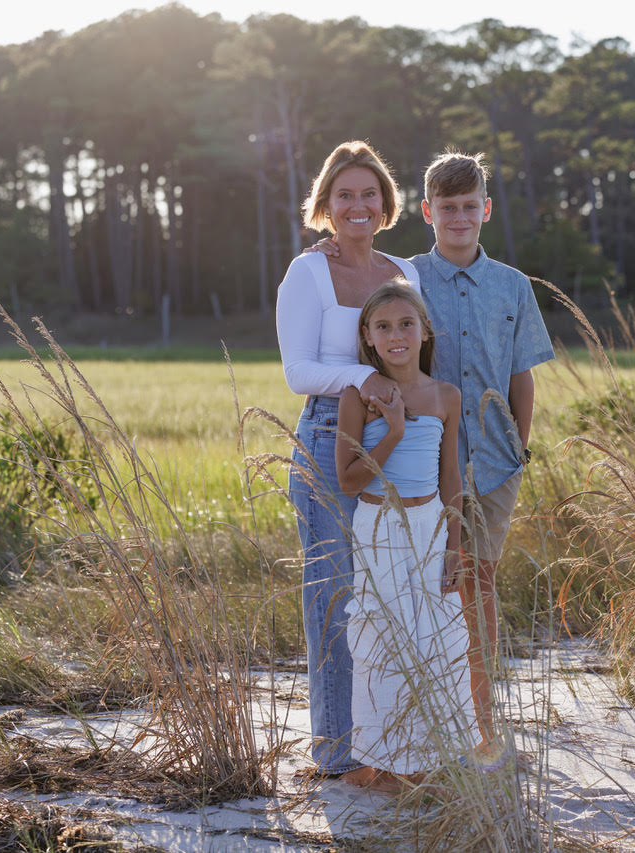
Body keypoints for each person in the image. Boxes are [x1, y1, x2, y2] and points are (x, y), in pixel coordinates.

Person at [311, 150, 555, 759]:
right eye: (447, 208)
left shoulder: (513, 286)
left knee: (477, 585)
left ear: (486, 210)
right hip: (420, 466)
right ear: (427, 212)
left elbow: (522, 376)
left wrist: (519, 446)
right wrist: (329, 250)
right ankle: (417, 728)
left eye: (469, 206)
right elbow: (365, 289)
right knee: (421, 593)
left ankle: (482, 724)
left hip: (495, 462)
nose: (459, 218)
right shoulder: (408, 277)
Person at [276, 141, 421, 780]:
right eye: (345, 196)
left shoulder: (403, 273)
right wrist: (365, 377)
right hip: (330, 438)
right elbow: (297, 372)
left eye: (369, 194)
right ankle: (336, 755)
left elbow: (414, 352)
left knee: (392, 594)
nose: (357, 205)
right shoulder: (307, 272)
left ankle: (389, 746)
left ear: (385, 204)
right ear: (327, 207)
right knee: (334, 598)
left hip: (400, 438)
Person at [334, 280, 473, 793]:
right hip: (379, 526)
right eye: (384, 327)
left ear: (424, 331)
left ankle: (430, 757)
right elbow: (349, 479)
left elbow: (451, 477)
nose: (396, 335)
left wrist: (454, 546)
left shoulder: (444, 396)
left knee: (435, 637)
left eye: (406, 324)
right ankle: (386, 764)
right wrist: (392, 430)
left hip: (432, 524)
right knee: (382, 637)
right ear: (368, 338)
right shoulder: (359, 395)